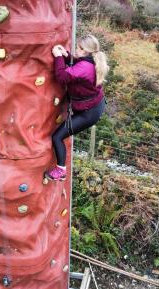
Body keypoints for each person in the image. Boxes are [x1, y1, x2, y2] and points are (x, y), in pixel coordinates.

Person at [44, 34, 109, 181]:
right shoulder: (90, 61)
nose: (76, 50)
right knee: (59, 135)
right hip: (94, 106)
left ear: (87, 51)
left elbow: (62, 77)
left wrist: (58, 57)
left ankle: (61, 170)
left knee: (57, 137)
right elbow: (76, 63)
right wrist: (65, 55)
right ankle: (60, 168)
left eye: (79, 48)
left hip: (88, 113)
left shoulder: (85, 68)